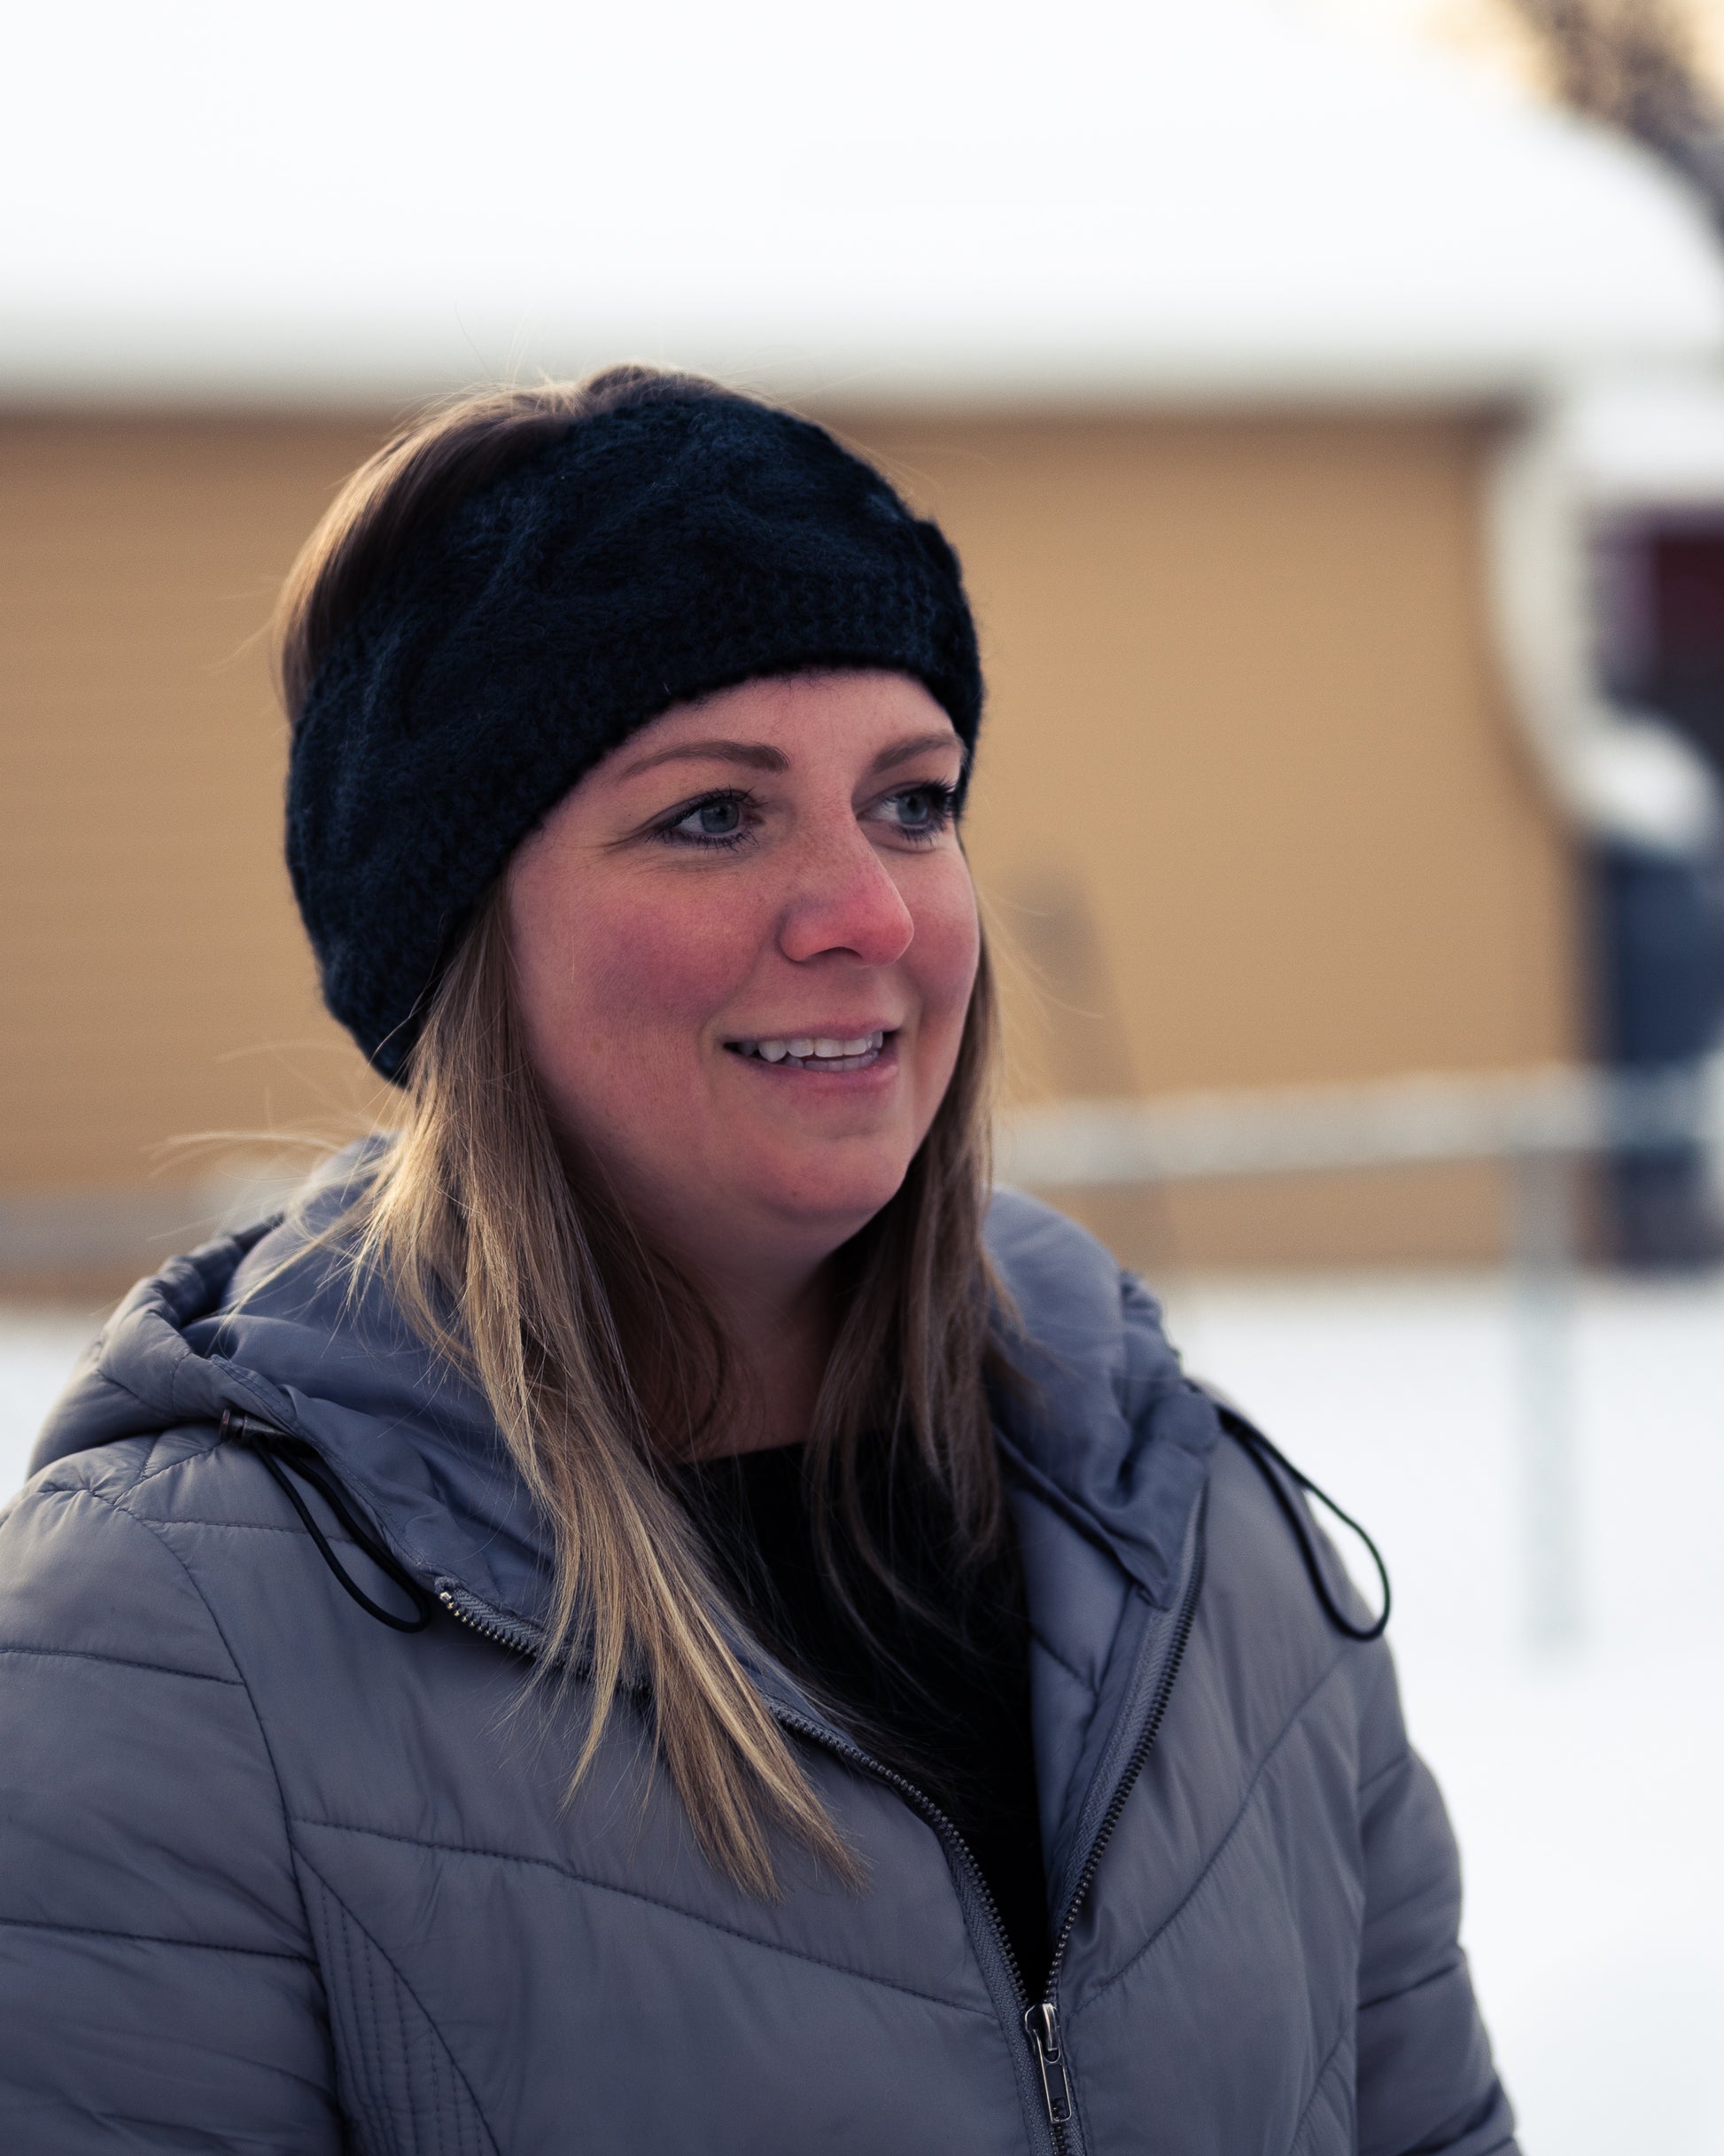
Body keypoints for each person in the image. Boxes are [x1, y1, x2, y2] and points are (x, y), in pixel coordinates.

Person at [0, 368, 1516, 2153]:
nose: (867, 910)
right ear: (460, 931)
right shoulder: (175, 1648)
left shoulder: (1194, 1538)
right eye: (715, 812)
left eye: (912, 799)